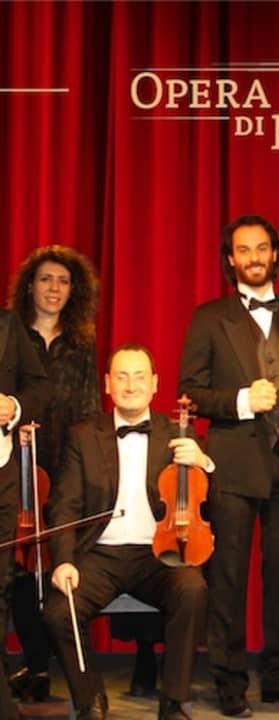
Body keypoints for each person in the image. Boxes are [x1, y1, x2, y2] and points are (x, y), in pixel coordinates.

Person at [177, 214, 279, 716]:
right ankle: (228, 681)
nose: (254, 257)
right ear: (230, 259)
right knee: (227, 580)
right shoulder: (209, 317)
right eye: (243, 250)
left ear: (275, 254)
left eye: (261, 248)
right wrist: (243, 399)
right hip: (234, 467)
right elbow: (190, 391)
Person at [43, 344, 209, 720]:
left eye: (139, 376)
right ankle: (91, 700)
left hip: (158, 553)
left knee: (192, 589)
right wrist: (64, 561)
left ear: (155, 383)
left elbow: (210, 495)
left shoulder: (177, 433)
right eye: (121, 376)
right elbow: (64, 506)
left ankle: (173, 702)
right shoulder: (83, 435)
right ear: (107, 384)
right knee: (58, 611)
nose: (130, 385)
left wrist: (204, 461)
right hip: (99, 554)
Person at [7, 244, 101, 702]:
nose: (54, 288)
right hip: (15, 462)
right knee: (21, 566)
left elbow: (89, 406)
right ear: (30, 285)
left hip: (66, 465)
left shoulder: (82, 343)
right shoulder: (10, 334)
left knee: (60, 561)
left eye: (63, 281)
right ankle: (37, 663)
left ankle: (59, 662)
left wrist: (86, 464)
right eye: (45, 279)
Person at [0, 309, 50, 720]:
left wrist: (14, 407)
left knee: (1, 587)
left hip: (1, 471)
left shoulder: (7, 323)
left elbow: (39, 385)